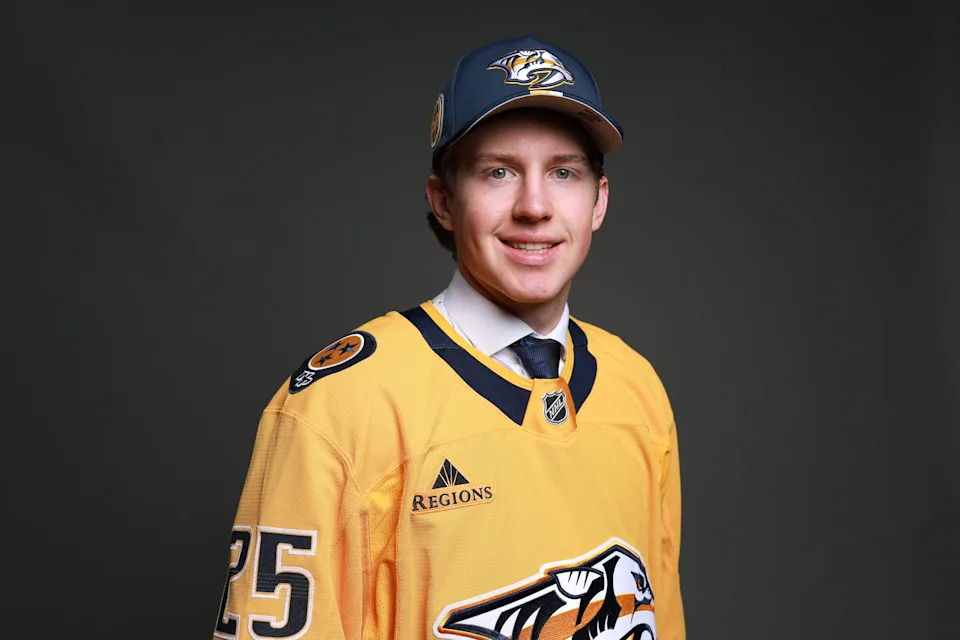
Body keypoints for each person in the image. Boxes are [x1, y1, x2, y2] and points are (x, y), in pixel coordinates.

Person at [212, 35, 685, 640]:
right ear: (443, 201)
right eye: (498, 173)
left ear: (598, 201)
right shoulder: (337, 408)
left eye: (563, 172)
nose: (534, 206)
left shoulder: (636, 385)